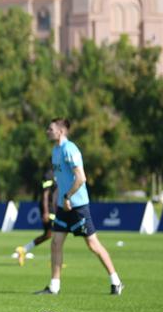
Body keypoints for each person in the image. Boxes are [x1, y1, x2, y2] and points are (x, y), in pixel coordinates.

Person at [35, 118, 124, 295]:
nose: (47, 131)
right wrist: (57, 199)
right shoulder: (55, 151)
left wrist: (68, 196)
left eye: (50, 128)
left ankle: (116, 281)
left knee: (92, 244)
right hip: (63, 206)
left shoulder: (70, 149)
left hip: (77, 205)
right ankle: (54, 286)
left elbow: (81, 178)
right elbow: (61, 179)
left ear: (60, 131)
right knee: (56, 243)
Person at [14, 168, 56, 266]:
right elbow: (45, 194)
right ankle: (55, 261)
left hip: (54, 208)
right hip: (48, 208)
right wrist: (46, 211)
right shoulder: (49, 175)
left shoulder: (60, 175)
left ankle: (23, 250)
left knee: (48, 234)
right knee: (57, 233)